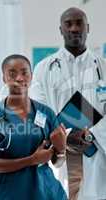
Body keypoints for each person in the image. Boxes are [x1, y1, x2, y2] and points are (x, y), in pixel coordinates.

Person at [30, 7, 106, 200]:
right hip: (60, 153)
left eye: (79, 23)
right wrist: (66, 137)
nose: (74, 28)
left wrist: (91, 135)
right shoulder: (44, 68)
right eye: (68, 23)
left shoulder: (103, 66)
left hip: (97, 153)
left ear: (87, 28)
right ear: (61, 29)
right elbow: (38, 111)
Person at [0, 54, 67, 200]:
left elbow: (57, 162)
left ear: (31, 76)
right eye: (12, 74)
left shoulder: (46, 113)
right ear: (4, 78)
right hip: (6, 194)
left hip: (45, 192)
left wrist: (61, 149)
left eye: (24, 72)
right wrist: (31, 160)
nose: (19, 78)